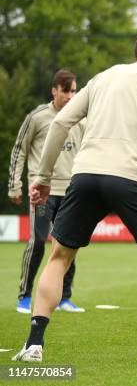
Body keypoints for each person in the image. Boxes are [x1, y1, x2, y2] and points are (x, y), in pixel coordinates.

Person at [12, 29, 137, 364]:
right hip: (128, 177)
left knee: (59, 257)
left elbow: (60, 124)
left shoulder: (102, 77)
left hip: (83, 176)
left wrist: (42, 176)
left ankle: (33, 345)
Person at [8, 69, 86, 314]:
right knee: (39, 241)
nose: (70, 96)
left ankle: (64, 298)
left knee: (68, 243)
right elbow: (19, 151)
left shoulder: (82, 120)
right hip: (41, 192)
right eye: (66, 91)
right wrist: (15, 186)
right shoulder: (37, 117)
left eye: (74, 91)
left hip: (71, 191)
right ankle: (24, 296)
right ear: (54, 91)